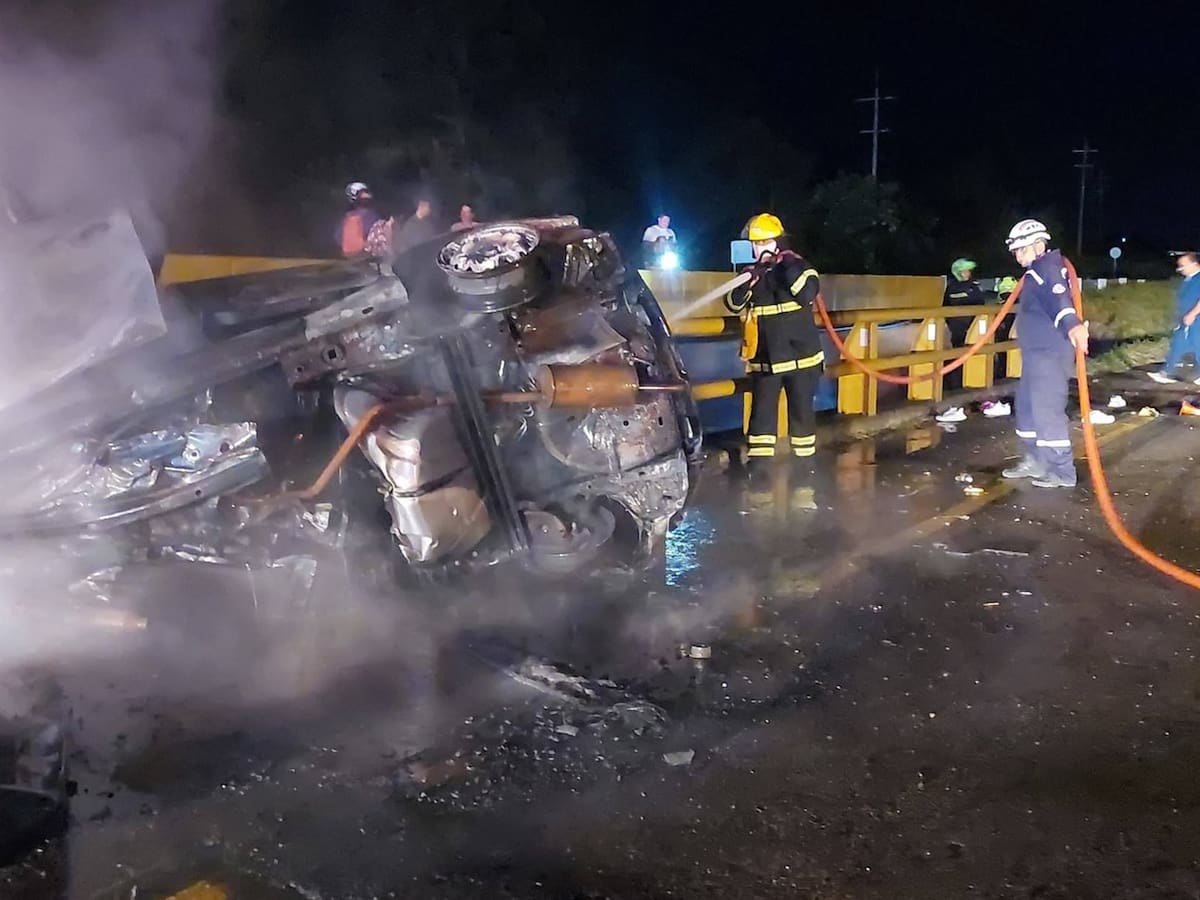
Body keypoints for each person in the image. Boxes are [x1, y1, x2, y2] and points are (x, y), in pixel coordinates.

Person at [725, 213, 825, 470]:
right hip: (766, 359)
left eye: (765, 242)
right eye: (756, 244)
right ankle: (758, 470)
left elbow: (807, 293)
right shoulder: (753, 274)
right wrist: (750, 279)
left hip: (802, 358)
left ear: (778, 242)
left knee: (802, 416)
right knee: (761, 419)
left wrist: (786, 264)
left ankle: (805, 470)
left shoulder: (798, 267)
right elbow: (732, 303)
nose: (760, 248)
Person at [1000, 219, 1089, 489]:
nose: (1018, 256)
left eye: (1022, 249)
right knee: (1026, 407)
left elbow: (1059, 299)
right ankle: (1036, 460)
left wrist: (1073, 326)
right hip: (1035, 354)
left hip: (1049, 354)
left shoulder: (1047, 269)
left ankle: (1062, 470)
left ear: (1038, 245)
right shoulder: (1035, 271)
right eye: (1015, 251)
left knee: (1046, 410)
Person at [1148, 252, 1200, 384]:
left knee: (1196, 346)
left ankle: (1166, 372)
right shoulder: (1188, 280)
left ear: (1193, 264)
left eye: (1182, 266)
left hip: (1195, 319)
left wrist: (1193, 314)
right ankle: (1166, 372)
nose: (1180, 269)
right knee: (1178, 344)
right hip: (1186, 319)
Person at [944, 258, 985, 347]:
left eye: (968, 271)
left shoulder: (974, 286)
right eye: (963, 271)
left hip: (974, 323)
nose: (967, 273)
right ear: (958, 272)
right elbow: (946, 304)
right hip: (957, 326)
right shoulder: (952, 287)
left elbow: (981, 303)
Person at [337, 182, 380, 258]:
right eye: (363, 193)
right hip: (364, 254)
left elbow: (338, 237)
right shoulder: (370, 215)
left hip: (348, 255)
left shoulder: (347, 217)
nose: (367, 195)